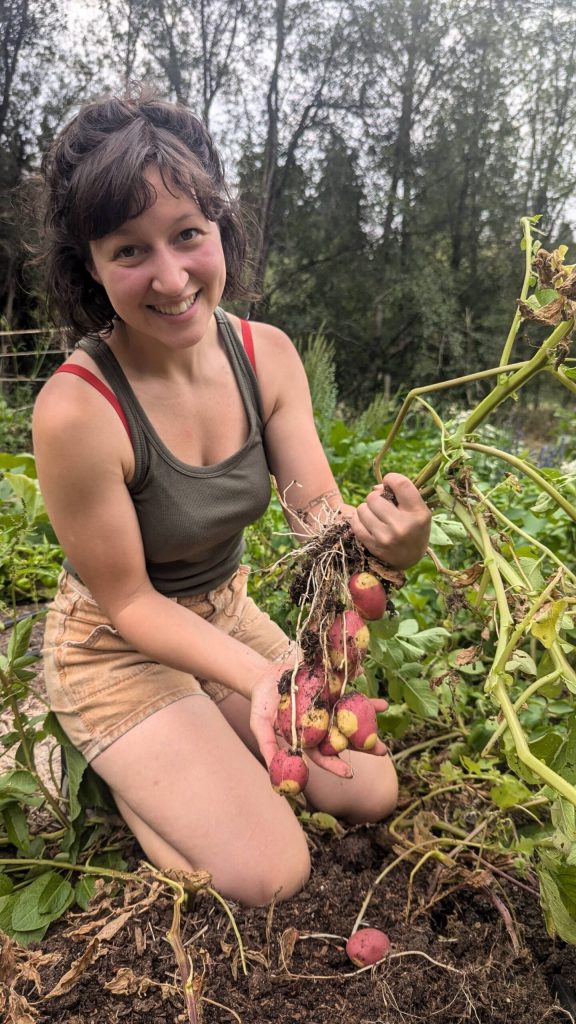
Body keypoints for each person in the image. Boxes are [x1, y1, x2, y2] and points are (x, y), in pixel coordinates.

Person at [32, 93, 431, 907]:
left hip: (224, 614)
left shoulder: (268, 357)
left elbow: (321, 529)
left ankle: (197, 737)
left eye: (188, 234)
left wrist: (390, 552)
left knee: (367, 790)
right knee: (272, 871)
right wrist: (262, 679)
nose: (172, 277)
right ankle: (129, 776)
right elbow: (133, 603)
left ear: (221, 229)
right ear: (91, 269)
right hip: (115, 646)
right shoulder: (77, 409)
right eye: (129, 251)